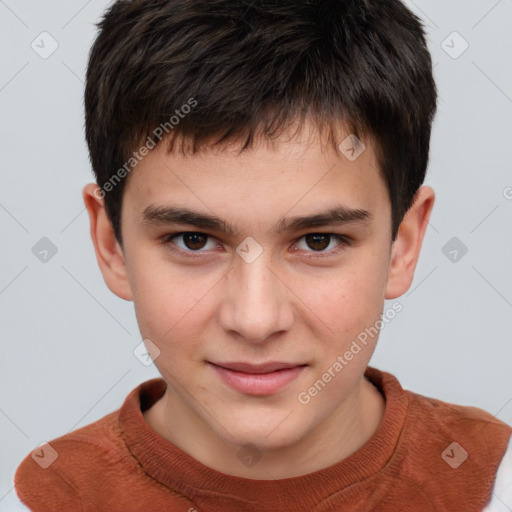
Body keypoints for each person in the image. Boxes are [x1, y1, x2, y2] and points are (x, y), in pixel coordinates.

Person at [14, 0, 511, 510]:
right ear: (110, 243)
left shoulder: (497, 485)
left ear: (402, 245)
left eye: (318, 241)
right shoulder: (39, 498)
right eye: (194, 240)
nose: (255, 320)